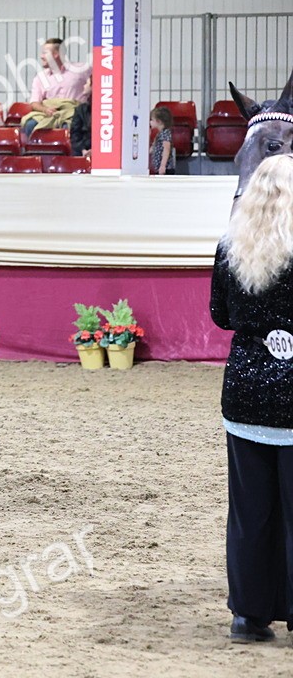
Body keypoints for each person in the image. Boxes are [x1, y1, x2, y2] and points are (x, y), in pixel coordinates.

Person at [210, 153, 293, 642]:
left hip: (245, 390)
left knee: (250, 510)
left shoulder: (229, 247)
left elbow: (221, 315)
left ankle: (248, 615)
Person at [20, 38, 91, 138]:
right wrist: (45, 109)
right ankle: (35, 152)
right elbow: (34, 102)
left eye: (44, 53)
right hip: (48, 115)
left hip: (74, 113)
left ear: (56, 54)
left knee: (70, 125)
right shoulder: (40, 77)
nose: (41, 56)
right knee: (30, 124)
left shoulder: (83, 70)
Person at [150, 106, 176, 175]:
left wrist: (163, 166)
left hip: (166, 168)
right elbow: (152, 149)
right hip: (159, 168)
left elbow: (166, 149)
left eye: (152, 120)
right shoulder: (159, 134)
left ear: (159, 121)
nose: (150, 122)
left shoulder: (165, 133)